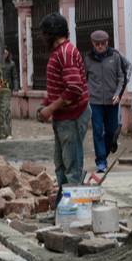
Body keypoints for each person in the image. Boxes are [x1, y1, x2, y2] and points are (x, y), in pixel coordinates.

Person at [35, 13, 90, 203]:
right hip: (63, 118)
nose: (42, 38)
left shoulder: (66, 53)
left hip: (72, 117)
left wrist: (50, 109)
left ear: (52, 34)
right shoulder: (58, 53)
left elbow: (74, 89)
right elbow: (59, 87)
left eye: (43, 34)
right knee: (60, 165)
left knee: (72, 167)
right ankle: (63, 208)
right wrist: (46, 105)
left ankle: (73, 212)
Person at [82, 30, 131, 174]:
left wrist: (118, 94)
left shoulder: (115, 56)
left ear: (107, 43)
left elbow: (122, 77)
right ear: (93, 44)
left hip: (112, 101)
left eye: (103, 43)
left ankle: (106, 149)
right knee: (97, 130)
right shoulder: (88, 59)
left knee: (111, 130)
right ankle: (101, 161)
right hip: (95, 101)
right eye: (97, 44)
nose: (100, 46)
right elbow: (84, 79)